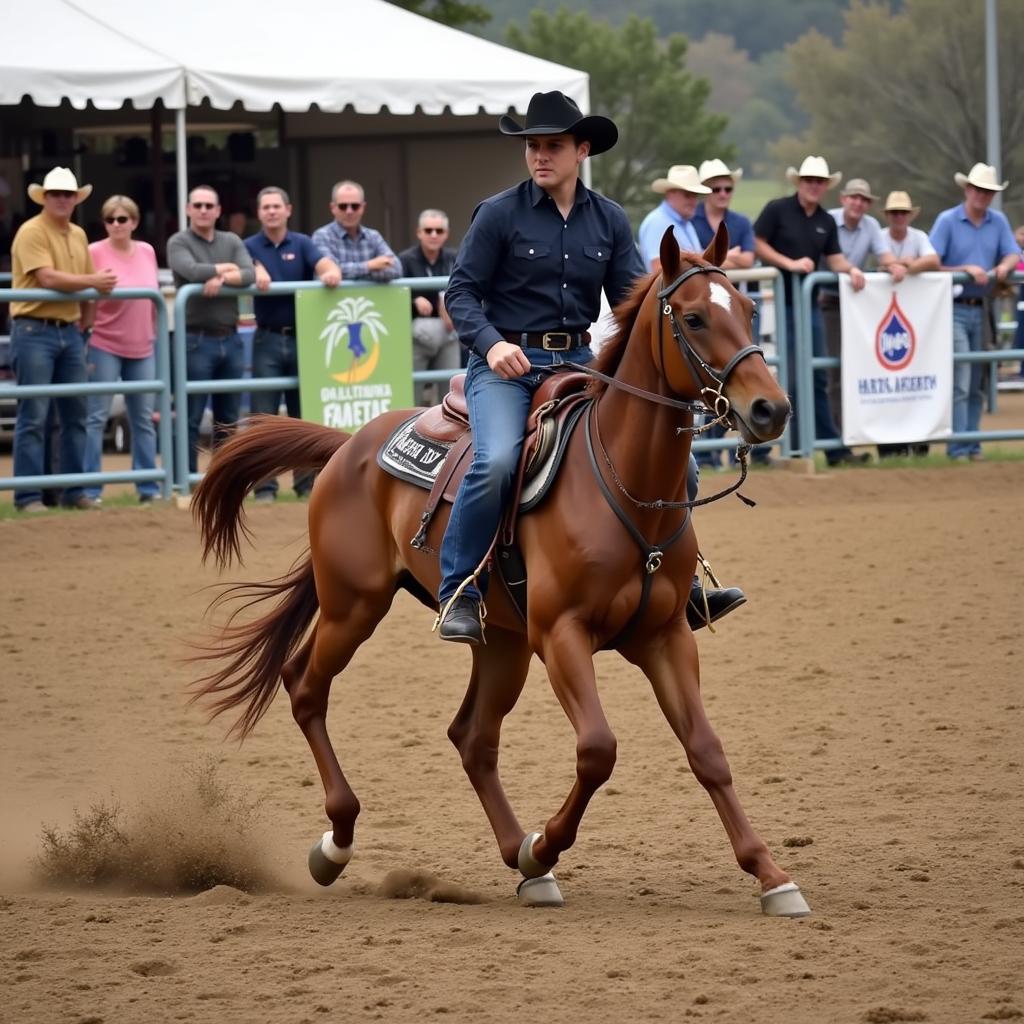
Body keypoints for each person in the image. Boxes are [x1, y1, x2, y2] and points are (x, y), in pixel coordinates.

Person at [435, 91, 744, 644]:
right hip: (507, 363)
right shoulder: (498, 214)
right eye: (533, 146)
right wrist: (490, 344)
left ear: (581, 151)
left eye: (553, 146)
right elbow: (460, 293)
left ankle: (683, 581)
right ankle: (460, 589)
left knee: (684, 466)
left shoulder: (608, 220)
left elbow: (633, 299)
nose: (540, 156)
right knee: (499, 460)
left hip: (580, 361)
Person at [10, 167, 116, 512]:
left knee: (75, 415)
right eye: (56, 194)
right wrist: (92, 283)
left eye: (67, 194)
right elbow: (47, 278)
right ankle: (29, 495)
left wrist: (85, 327)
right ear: (45, 197)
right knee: (35, 415)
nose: (62, 199)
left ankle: (72, 490)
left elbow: (83, 286)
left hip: (66, 331)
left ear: (75, 199)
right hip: (34, 328)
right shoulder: (31, 231)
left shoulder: (77, 235)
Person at [753, 156, 871, 466]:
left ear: (825, 186)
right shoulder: (777, 209)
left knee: (817, 376)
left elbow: (835, 258)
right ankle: (778, 448)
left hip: (810, 307)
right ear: (799, 183)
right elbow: (757, 242)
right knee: (789, 378)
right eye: (809, 180)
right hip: (786, 305)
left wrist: (852, 271)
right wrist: (787, 263)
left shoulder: (825, 221)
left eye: (819, 181)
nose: (814, 186)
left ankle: (833, 449)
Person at [243, 185, 341, 502]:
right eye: (266, 206)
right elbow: (240, 269)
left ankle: (307, 485)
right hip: (267, 338)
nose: (271, 211)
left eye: (276, 206)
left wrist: (328, 273)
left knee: (304, 414)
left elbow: (326, 265)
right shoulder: (247, 246)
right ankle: (266, 488)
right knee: (264, 416)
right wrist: (253, 269)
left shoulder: (302, 243)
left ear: (288, 210)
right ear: (259, 213)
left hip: (303, 339)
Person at [930, 163, 1019, 461]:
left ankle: (973, 443)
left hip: (983, 307)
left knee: (978, 379)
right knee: (962, 379)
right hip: (954, 306)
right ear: (967, 189)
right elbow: (932, 263)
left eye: (988, 191)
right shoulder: (947, 221)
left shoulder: (999, 221)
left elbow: (1012, 252)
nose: (982, 195)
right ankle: (959, 446)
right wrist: (963, 269)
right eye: (979, 189)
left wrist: (1005, 267)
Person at [167, 184, 255, 474]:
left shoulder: (230, 239)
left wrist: (223, 277)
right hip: (194, 340)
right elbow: (190, 271)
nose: (203, 210)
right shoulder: (178, 241)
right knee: (190, 415)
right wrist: (227, 269)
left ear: (218, 211)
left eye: (209, 206)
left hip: (230, 339)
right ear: (188, 209)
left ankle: (224, 479)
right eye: (198, 205)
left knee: (228, 418)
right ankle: (186, 479)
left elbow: (249, 274)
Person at [83, 195, 160, 503]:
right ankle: (91, 490)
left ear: (134, 222)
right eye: (110, 220)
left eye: (122, 219)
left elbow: (153, 294)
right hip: (104, 343)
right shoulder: (94, 251)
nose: (116, 225)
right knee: (96, 417)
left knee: (143, 419)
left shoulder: (147, 251)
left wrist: (152, 333)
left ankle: (148, 487)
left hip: (142, 345)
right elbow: (87, 293)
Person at [819, 178, 906, 437]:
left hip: (857, 305)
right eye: (854, 197)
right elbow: (831, 259)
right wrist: (852, 269)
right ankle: (837, 433)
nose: (858, 203)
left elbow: (884, 253)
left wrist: (895, 265)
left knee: (858, 368)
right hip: (828, 302)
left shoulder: (871, 226)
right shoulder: (828, 220)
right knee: (832, 370)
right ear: (843, 199)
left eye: (864, 199)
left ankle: (853, 430)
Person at [691, 159, 763, 469]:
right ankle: (706, 452)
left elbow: (748, 257)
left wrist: (716, 259)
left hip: (732, 313)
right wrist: (726, 258)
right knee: (709, 378)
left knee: (739, 374)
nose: (722, 193)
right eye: (716, 188)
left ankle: (738, 447)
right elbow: (688, 260)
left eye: (727, 188)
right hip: (707, 314)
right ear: (707, 191)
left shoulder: (742, 222)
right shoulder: (691, 220)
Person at [880, 190, 941, 456]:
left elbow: (933, 260)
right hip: (882, 315)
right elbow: (881, 260)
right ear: (888, 215)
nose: (899, 217)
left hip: (916, 318)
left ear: (909, 215)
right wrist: (896, 265)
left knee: (915, 377)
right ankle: (891, 446)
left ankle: (919, 443)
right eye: (894, 212)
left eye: (903, 212)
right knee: (887, 381)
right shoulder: (880, 237)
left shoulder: (919, 237)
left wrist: (907, 266)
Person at [397, 209, 460, 405]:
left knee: (450, 391)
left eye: (439, 231)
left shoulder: (454, 257)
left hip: (449, 332)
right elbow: (393, 296)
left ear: (446, 234)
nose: (433, 235)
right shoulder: (405, 259)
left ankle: (449, 434)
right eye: (428, 230)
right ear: (419, 233)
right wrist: (413, 300)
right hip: (417, 334)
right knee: (412, 391)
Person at [311, 180, 401, 283]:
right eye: (343, 206)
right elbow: (329, 271)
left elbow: (396, 269)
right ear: (333, 208)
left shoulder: (373, 236)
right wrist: (370, 266)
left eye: (355, 206)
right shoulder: (322, 236)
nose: (349, 211)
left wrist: (350, 273)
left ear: (363, 207)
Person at [637, 165, 710, 272]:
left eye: (695, 195)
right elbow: (659, 269)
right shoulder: (657, 222)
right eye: (687, 195)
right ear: (670, 193)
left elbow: (701, 259)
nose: (693, 201)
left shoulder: (685, 223)